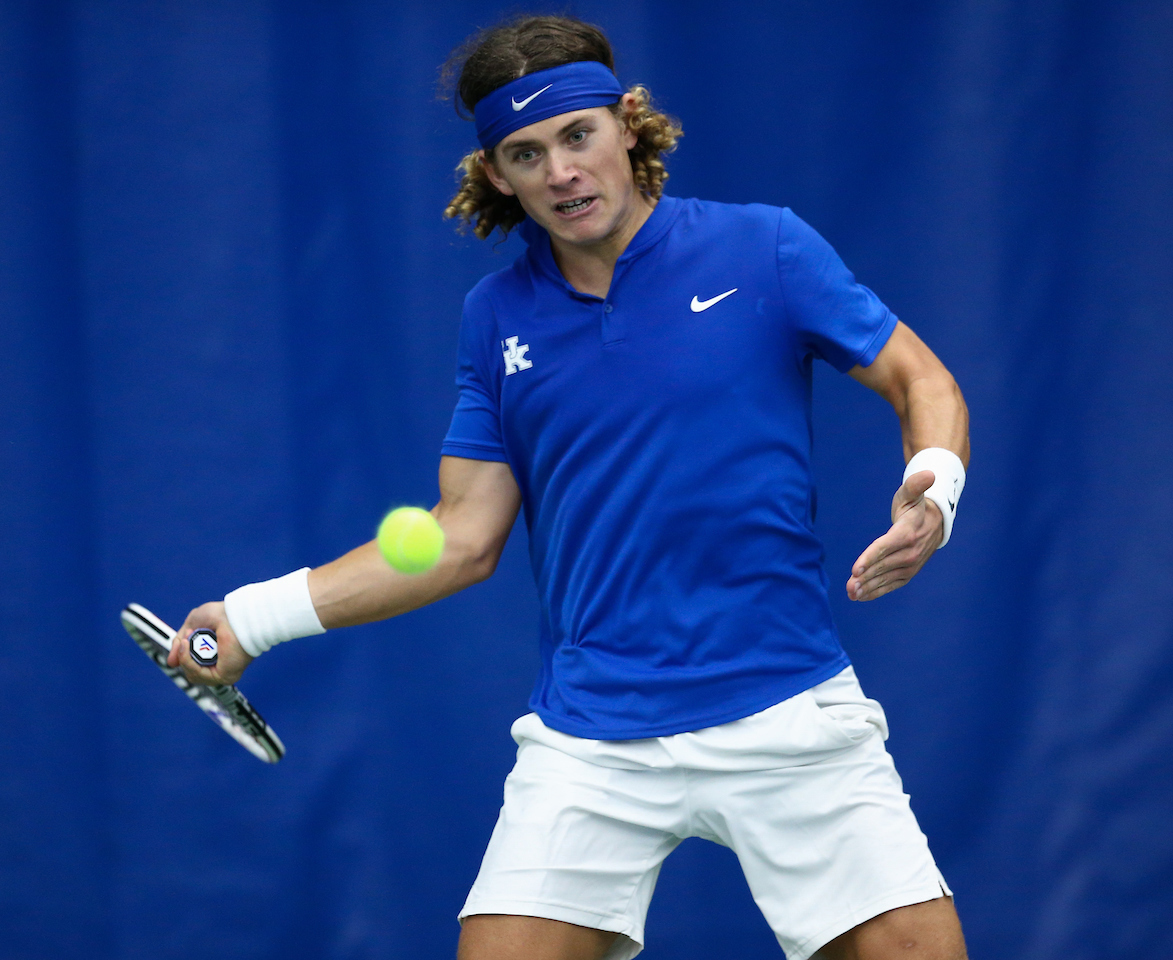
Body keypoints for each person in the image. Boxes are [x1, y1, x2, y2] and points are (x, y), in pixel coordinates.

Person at [168, 14, 971, 960]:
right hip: (592, 735)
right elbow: (461, 537)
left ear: (628, 125)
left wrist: (933, 493)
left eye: (578, 135)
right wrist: (252, 619)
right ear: (497, 175)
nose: (561, 172)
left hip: (785, 704)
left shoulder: (767, 250)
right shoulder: (495, 318)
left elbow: (922, 380)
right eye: (526, 152)